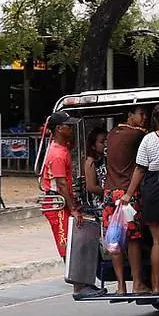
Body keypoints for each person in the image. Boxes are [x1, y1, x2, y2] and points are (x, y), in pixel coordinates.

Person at [41, 112, 106, 299]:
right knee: (69, 244)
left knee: (76, 241)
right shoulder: (58, 154)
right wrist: (74, 208)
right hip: (58, 205)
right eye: (67, 126)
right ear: (59, 129)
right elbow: (61, 184)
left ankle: (83, 284)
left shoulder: (61, 149)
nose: (71, 129)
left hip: (62, 202)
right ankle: (79, 286)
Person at [121, 104, 159, 295]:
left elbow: (139, 169)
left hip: (150, 187)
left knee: (156, 242)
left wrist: (128, 194)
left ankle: (155, 286)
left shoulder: (147, 139)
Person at [103, 105, 149, 295]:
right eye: (141, 114)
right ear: (130, 116)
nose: (144, 118)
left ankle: (121, 286)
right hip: (127, 194)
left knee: (114, 240)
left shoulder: (113, 133)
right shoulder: (138, 135)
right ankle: (137, 283)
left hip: (109, 194)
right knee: (133, 240)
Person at [83, 127, 107, 214]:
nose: (105, 144)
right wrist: (108, 193)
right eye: (102, 142)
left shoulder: (106, 159)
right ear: (93, 146)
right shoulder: (90, 162)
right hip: (100, 203)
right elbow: (91, 187)